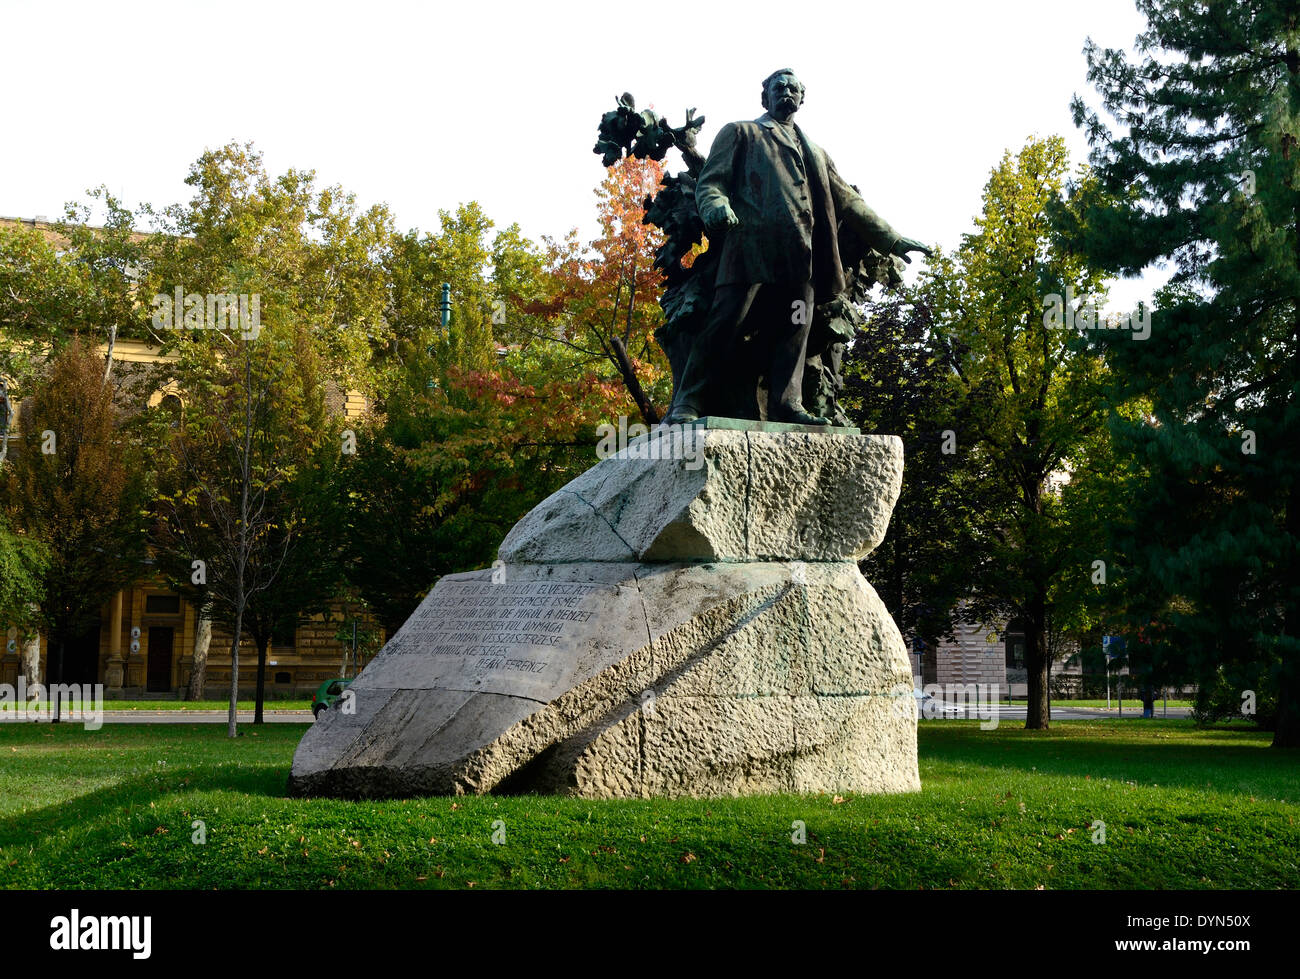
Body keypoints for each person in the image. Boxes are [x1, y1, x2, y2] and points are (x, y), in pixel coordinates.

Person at [662, 69, 933, 425]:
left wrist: (892, 239)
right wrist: (717, 207)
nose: (786, 92)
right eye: (779, 87)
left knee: (795, 327)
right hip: (750, 250)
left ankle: (788, 404)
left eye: (793, 88)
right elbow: (711, 184)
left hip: (801, 258)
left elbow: (849, 201)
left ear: (802, 99)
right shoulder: (741, 132)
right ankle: (688, 402)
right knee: (725, 321)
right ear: (766, 97)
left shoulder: (816, 152)